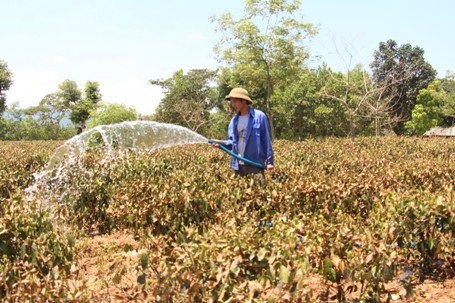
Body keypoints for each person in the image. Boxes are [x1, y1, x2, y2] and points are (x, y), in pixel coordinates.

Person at [211, 87, 274, 183]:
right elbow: (232, 143)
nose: (233, 105)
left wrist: (270, 162)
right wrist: (220, 143)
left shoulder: (259, 116)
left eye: (235, 101)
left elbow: (266, 140)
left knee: (259, 194)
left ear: (244, 100)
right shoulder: (234, 121)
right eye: (232, 102)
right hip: (238, 165)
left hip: (255, 165)